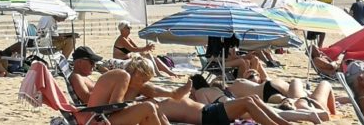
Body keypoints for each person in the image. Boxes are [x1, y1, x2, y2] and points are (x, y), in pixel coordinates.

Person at [121, 55, 296, 125]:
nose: (145, 82)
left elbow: (171, 94)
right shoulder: (145, 108)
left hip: (207, 111)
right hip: (206, 115)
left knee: (253, 100)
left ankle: (284, 123)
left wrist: (183, 89)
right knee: (249, 102)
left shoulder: (148, 96)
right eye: (143, 78)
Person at [189, 74, 326, 124]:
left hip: (232, 108)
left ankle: (309, 115)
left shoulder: (200, 91)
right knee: (274, 111)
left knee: (279, 113)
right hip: (234, 102)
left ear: (193, 87)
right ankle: (312, 114)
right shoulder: (214, 89)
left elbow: (205, 111)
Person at [227, 69, 336, 115]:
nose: (252, 74)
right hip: (297, 99)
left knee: (294, 91)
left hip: (279, 94)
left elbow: (260, 70)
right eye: (250, 76)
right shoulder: (237, 83)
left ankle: (332, 113)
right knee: (323, 83)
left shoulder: (264, 80)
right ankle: (333, 113)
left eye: (255, 74)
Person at [113, 20, 178, 77]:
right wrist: (146, 48)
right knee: (146, 59)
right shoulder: (122, 39)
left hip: (128, 61)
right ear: (122, 29)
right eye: (128, 28)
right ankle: (158, 73)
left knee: (150, 57)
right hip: (121, 64)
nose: (130, 29)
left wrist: (146, 50)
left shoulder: (127, 38)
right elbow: (133, 49)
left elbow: (136, 49)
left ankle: (169, 73)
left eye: (130, 27)